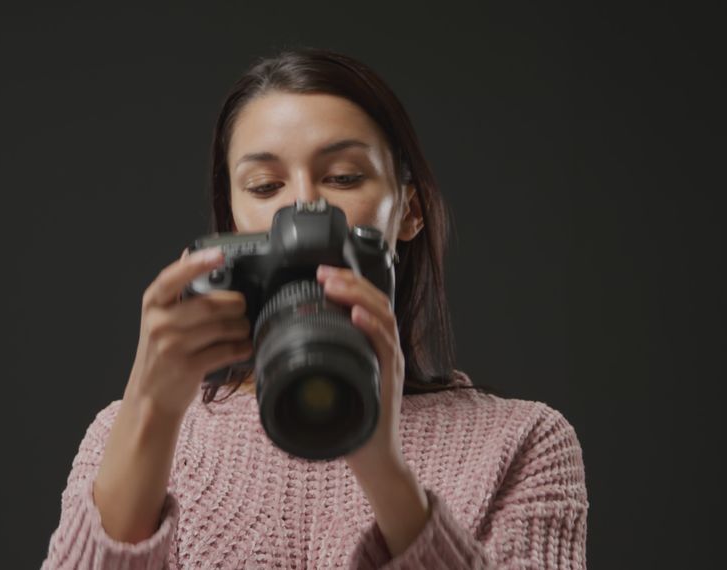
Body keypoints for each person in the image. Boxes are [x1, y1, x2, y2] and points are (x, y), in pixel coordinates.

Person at [40, 47, 588, 569]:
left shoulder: (521, 440)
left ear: (410, 211)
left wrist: (382, 464)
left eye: (344, 177)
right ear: (232, 223)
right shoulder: (130, 434)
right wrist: (150, 412)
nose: (304, 207)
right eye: (265, 185)